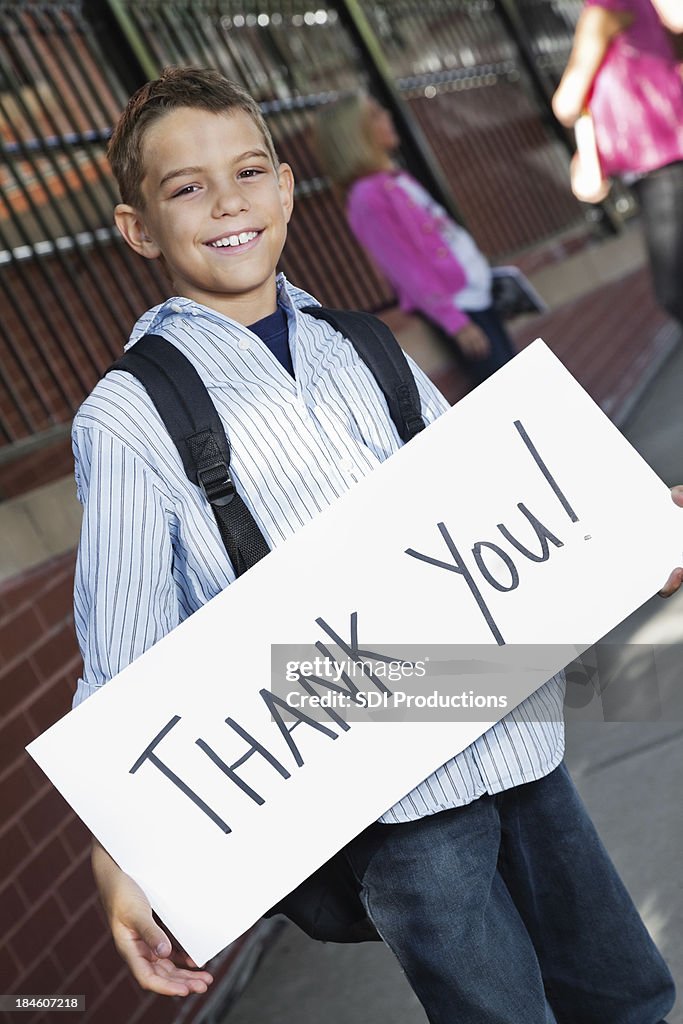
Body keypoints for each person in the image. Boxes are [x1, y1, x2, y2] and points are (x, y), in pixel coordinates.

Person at [73, 66, 683, 1020]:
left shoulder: (364, 346)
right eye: (185, 186)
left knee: (624, 995)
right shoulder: (130, 416)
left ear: (284, 188)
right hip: (386, 805)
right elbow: (122, 668)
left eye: (247, 172)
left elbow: (495, 509)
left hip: (509, 732)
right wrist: (122, 855)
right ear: (138, 227)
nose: (226, 202)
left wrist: (630, 527)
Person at [315, 93, 517, 384]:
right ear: (355, 137)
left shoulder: (395, 180)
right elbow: (406, 269)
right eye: (374, 115)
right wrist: (455, 322)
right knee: (505, 389)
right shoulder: (368, 198)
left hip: (475, 294)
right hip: (460, 308)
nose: (387, 115)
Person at [552, 0, 683, 327]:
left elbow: (567, 101)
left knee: (674, 290)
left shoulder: (607, 4)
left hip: (662, 163)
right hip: (665, 156)